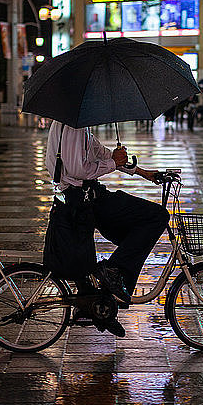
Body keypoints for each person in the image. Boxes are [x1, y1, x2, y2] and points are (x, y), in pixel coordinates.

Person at [45, 121, 170, 337]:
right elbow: (79, 170)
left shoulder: (79, 127)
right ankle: (112, 273)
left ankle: (103, 303)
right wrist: (112, 162)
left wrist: (140, 171)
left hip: (86, 198)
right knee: (156, 216)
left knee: (130, 241)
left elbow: (101, 154)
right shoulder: (74, 126)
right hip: (84, 200)